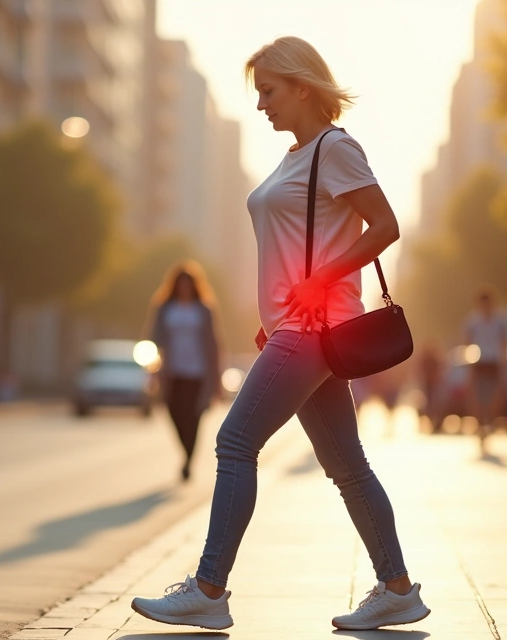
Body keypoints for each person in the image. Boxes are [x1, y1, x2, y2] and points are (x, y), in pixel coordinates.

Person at [131, 36, 429, 632]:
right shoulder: (295, 157)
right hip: (295, 329)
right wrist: (272, 317)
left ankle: (209, 590)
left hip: (316, 327)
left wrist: (319, 281)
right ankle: (397, 587)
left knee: (235, 443)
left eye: (268, 91)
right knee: (347, 465)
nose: (262, 104)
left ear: (301, 86)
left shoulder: (335, 149)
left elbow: (386, 225)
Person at [148, 262, 222, 482]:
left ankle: (188, 461)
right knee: (173, 413)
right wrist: (153, 372)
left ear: (194, 286)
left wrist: (216, 377)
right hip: (172, 373)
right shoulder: (165, 309)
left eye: (188, 284)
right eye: (180, 284)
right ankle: (186, 453)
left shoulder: (204, 310)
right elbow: (155, 341)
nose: (184, 288)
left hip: (198, 373)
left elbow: (214, 343)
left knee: (193, 418)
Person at [463, 286, 507, 455]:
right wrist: (469, 369)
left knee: (494, 399)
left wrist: (504, 369)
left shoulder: (500, 321)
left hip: (494, 363)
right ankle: (480, 426)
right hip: (478, 363)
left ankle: (489, 424)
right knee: (476, 398)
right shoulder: (472, 322)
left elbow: (504, 345)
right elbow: (467, 345)